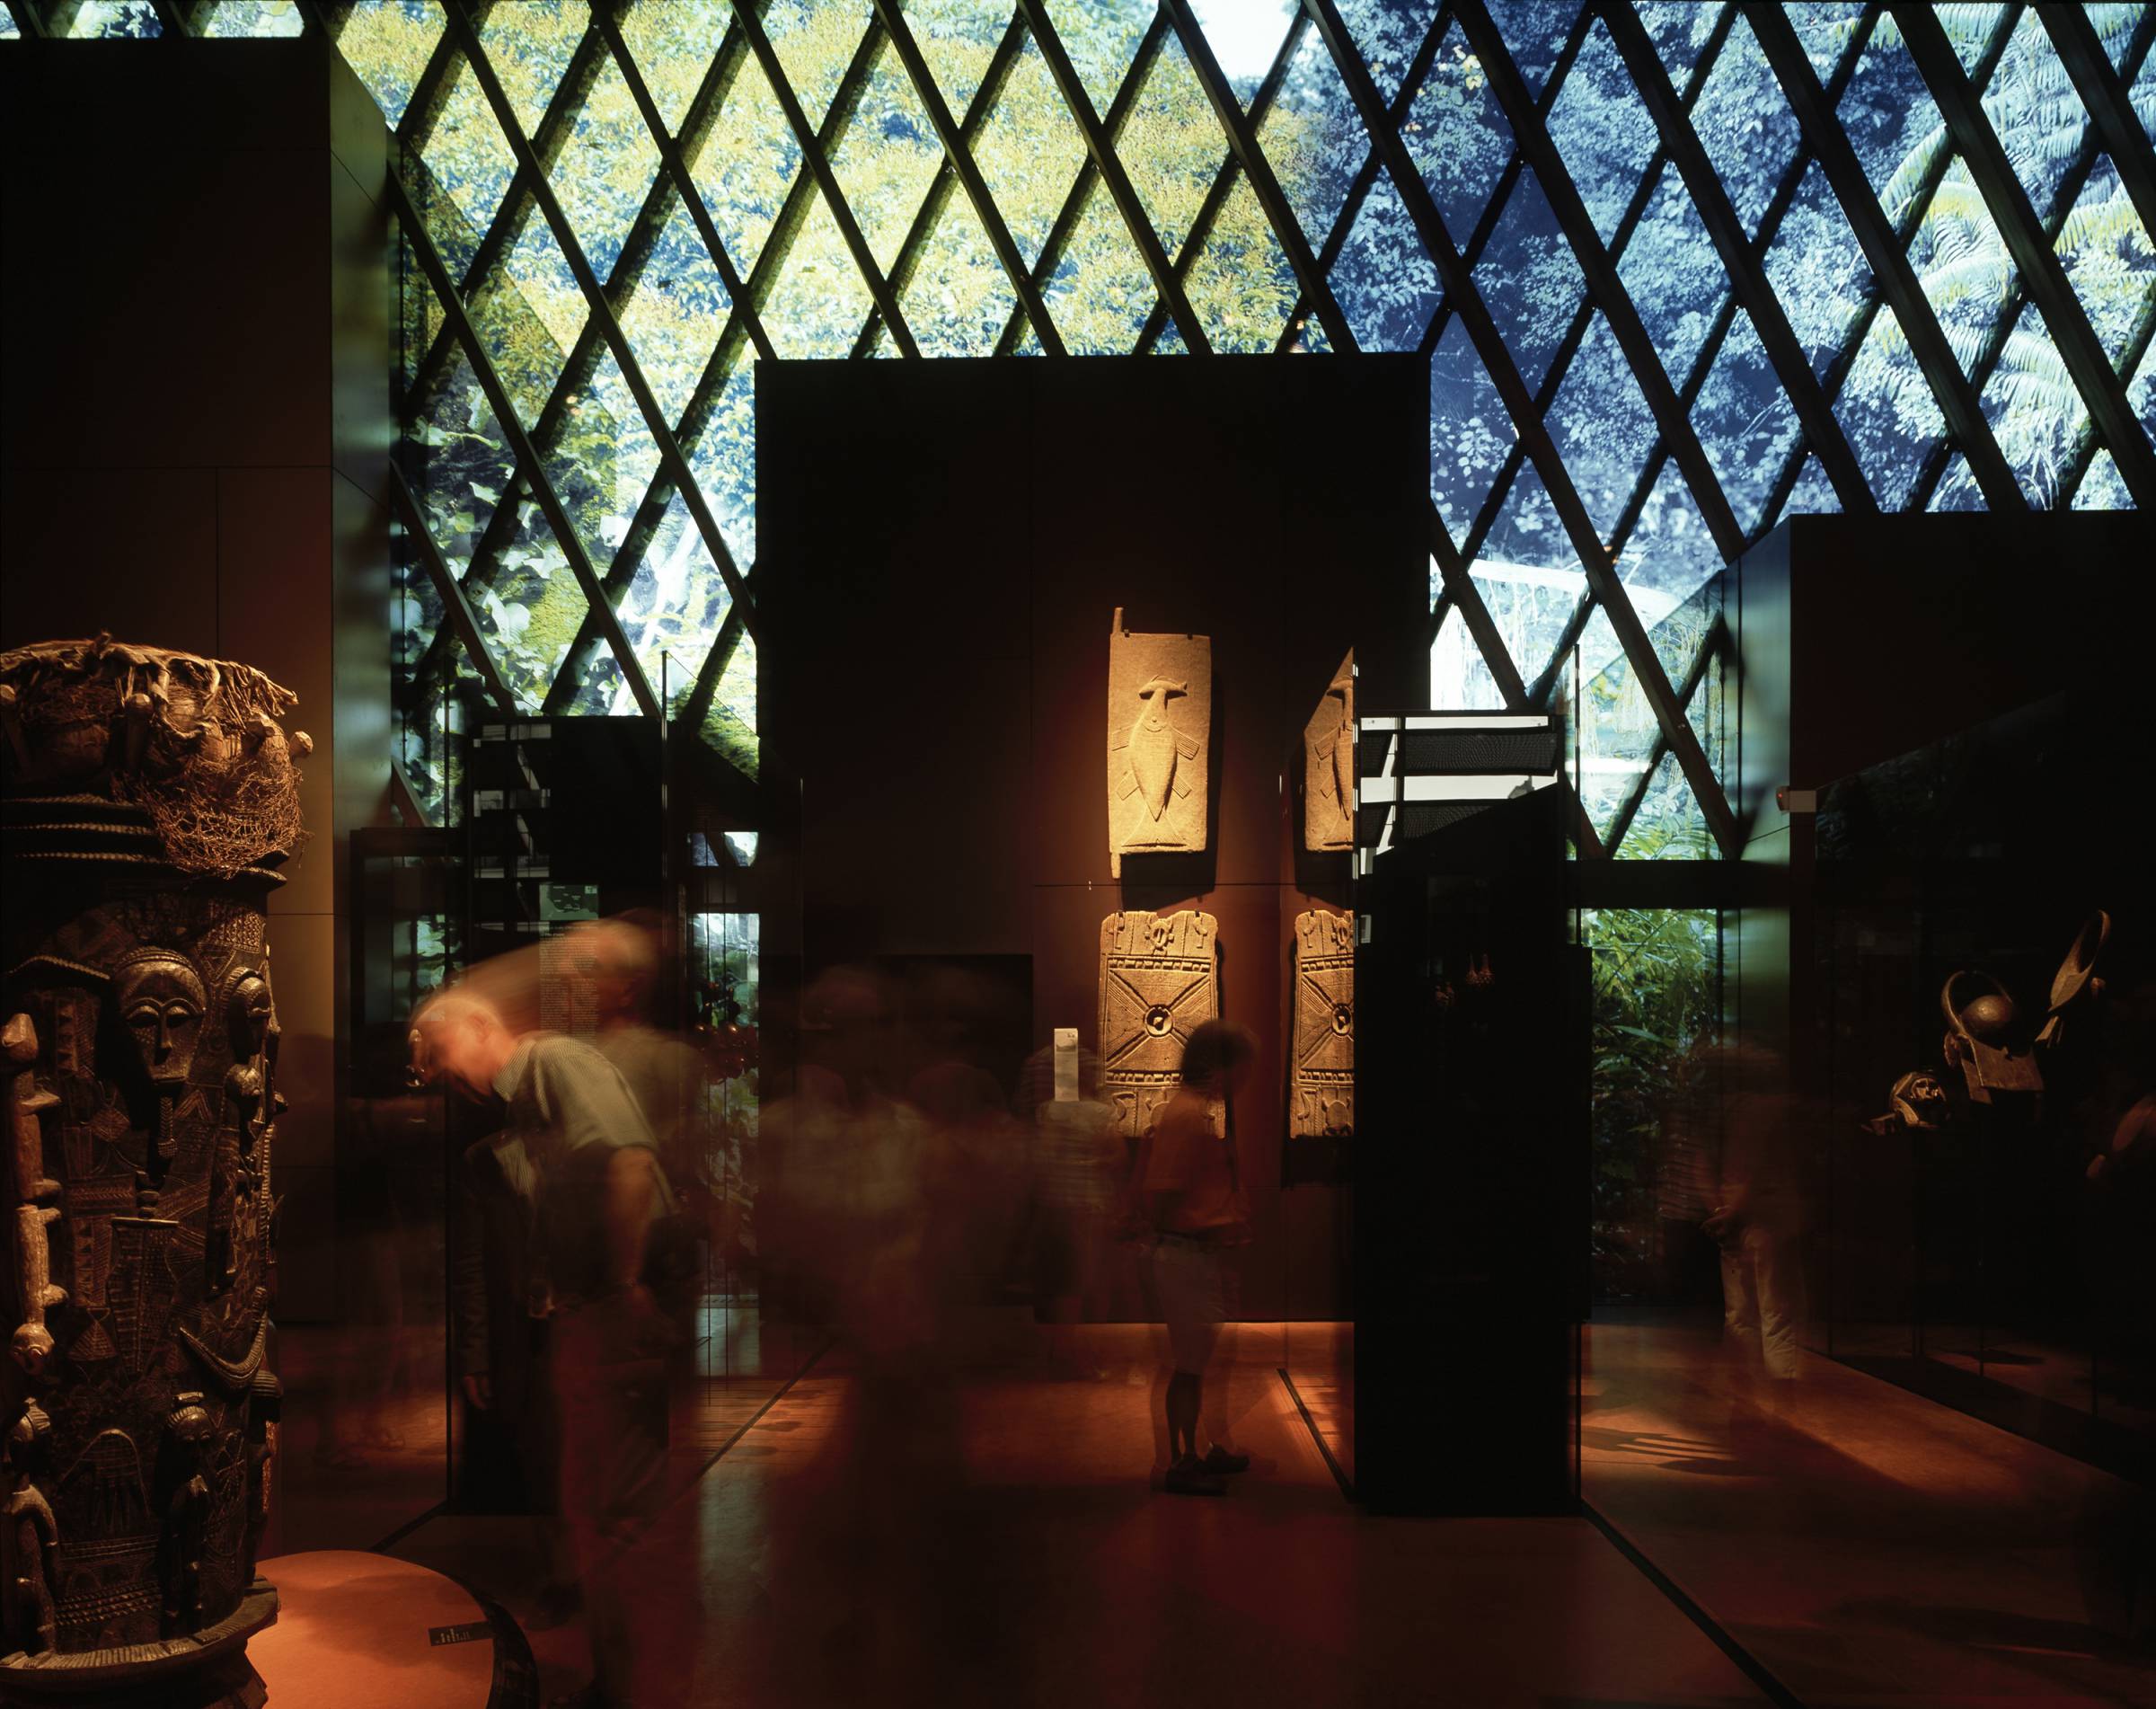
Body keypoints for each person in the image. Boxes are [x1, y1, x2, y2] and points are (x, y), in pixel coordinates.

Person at [411, 987, 676, 1709]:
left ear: (477, 1026)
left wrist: (622, 1289)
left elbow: (630, 1161)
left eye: (437, 1053)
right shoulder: (519, 1113)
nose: (439, 1074)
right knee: (596, 1509)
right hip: (584, 1314)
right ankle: (622, 1680)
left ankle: (637, 1685)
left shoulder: (554, 1063)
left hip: (604, 1311)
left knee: (614, 1511)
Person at [1139, 1019, 1259, 1496]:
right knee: (1188, 1367)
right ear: (1221, 1068)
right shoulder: (1187, 1115)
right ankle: (1181, 1461)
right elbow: (1163, 1192)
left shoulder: (1192, 1111)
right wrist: (1208, 1222)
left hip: (1192, 1254)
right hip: (1185, 1254)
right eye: (1242, 1069)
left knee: (1198, 1362)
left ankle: (1203, 1449)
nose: (1245, 1080)